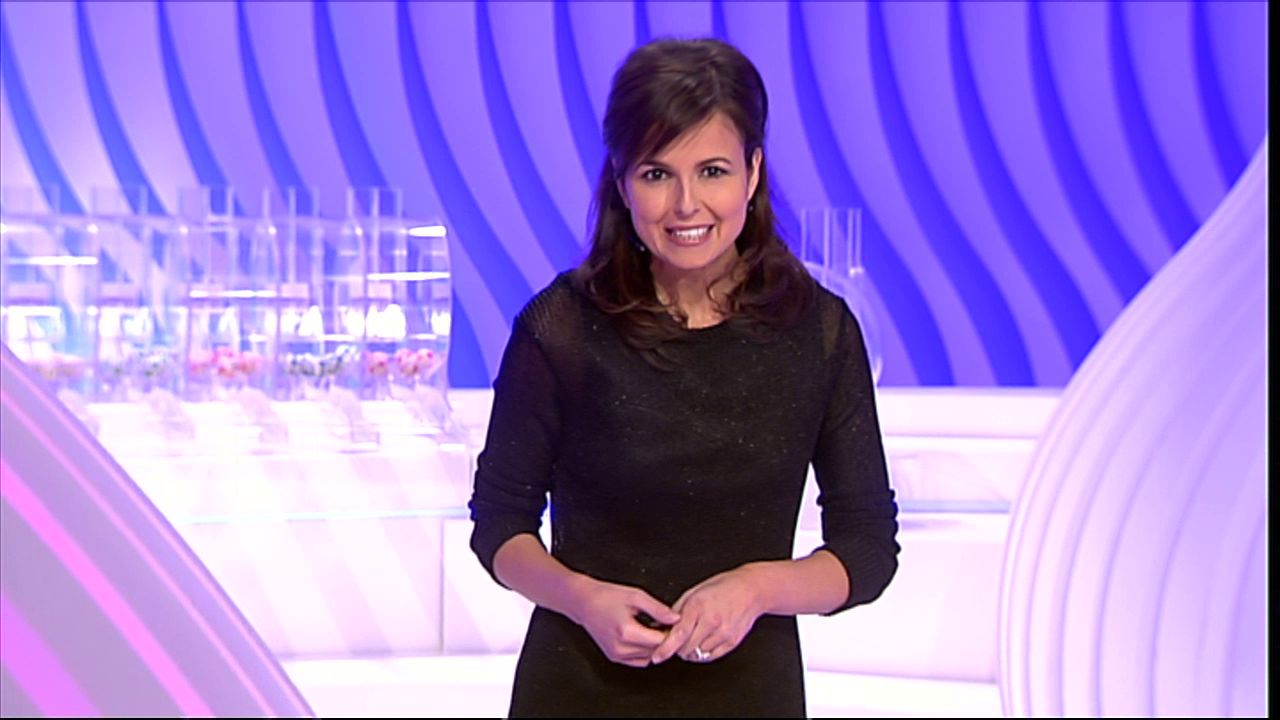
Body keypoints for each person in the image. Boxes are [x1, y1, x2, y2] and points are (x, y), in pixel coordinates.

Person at [468, 37, 899, 718]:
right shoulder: (561, 327)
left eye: (713, 171)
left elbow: (867, 548)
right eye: (657, 174)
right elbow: (498, 526)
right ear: (621, 182)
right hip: (578, 689)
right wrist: (583, 599)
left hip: (749, 695)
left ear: (753, 173)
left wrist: (757, 589)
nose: (686, 205)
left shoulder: (820, 332)